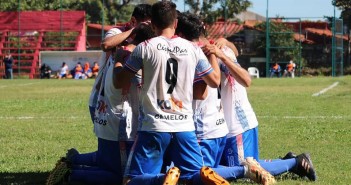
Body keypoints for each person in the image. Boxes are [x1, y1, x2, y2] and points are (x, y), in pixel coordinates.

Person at [114, 2, 227, 185]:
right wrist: (213, 54)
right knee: (192, 175)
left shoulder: (145, 47)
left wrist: (118, 62)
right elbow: (214, 81)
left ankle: (162, 179)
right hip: (184, 126)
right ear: (175, 23)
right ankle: (200, 176)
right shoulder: (193, 49)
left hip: (154, 126)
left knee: (130, 180)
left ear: (152, 25)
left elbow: (119, 82)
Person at [46, 4, 153, 185]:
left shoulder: (146, 42)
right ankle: (72, 173)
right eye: (144, 25)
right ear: (134, 21)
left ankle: (74, 160)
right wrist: (135, 31)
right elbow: (106, 45)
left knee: (111, 155)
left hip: (122, 104)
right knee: (119, 166)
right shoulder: (117, 32)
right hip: (105, 103)